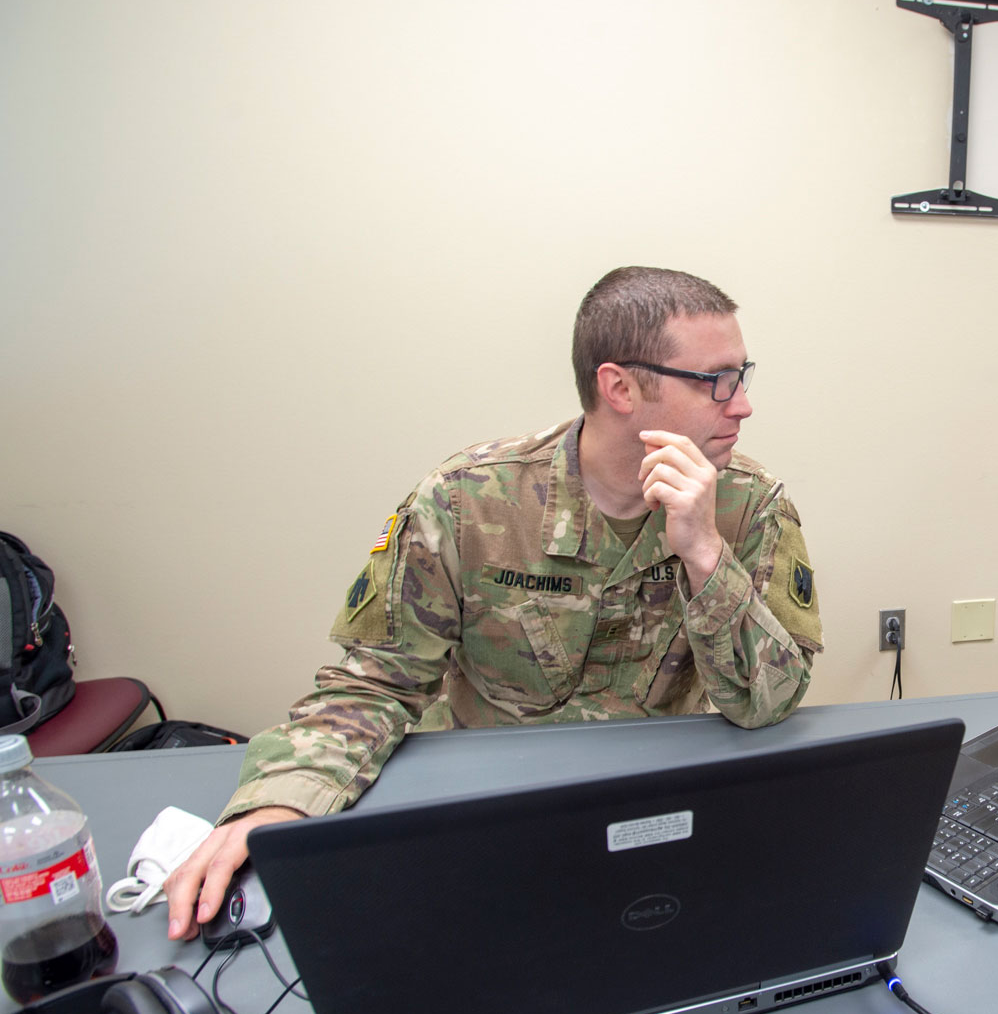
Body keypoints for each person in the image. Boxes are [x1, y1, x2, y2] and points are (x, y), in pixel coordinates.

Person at [167, 266, 823, 938]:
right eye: (716, 380)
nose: (742, 405)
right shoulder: (469, 501)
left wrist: (706, 553)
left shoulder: (748, 507)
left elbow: (767, 704)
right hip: (492, 818)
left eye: (742, 375)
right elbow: (374, 685)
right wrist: (279, 806)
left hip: (656, 818)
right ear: (619, 387)